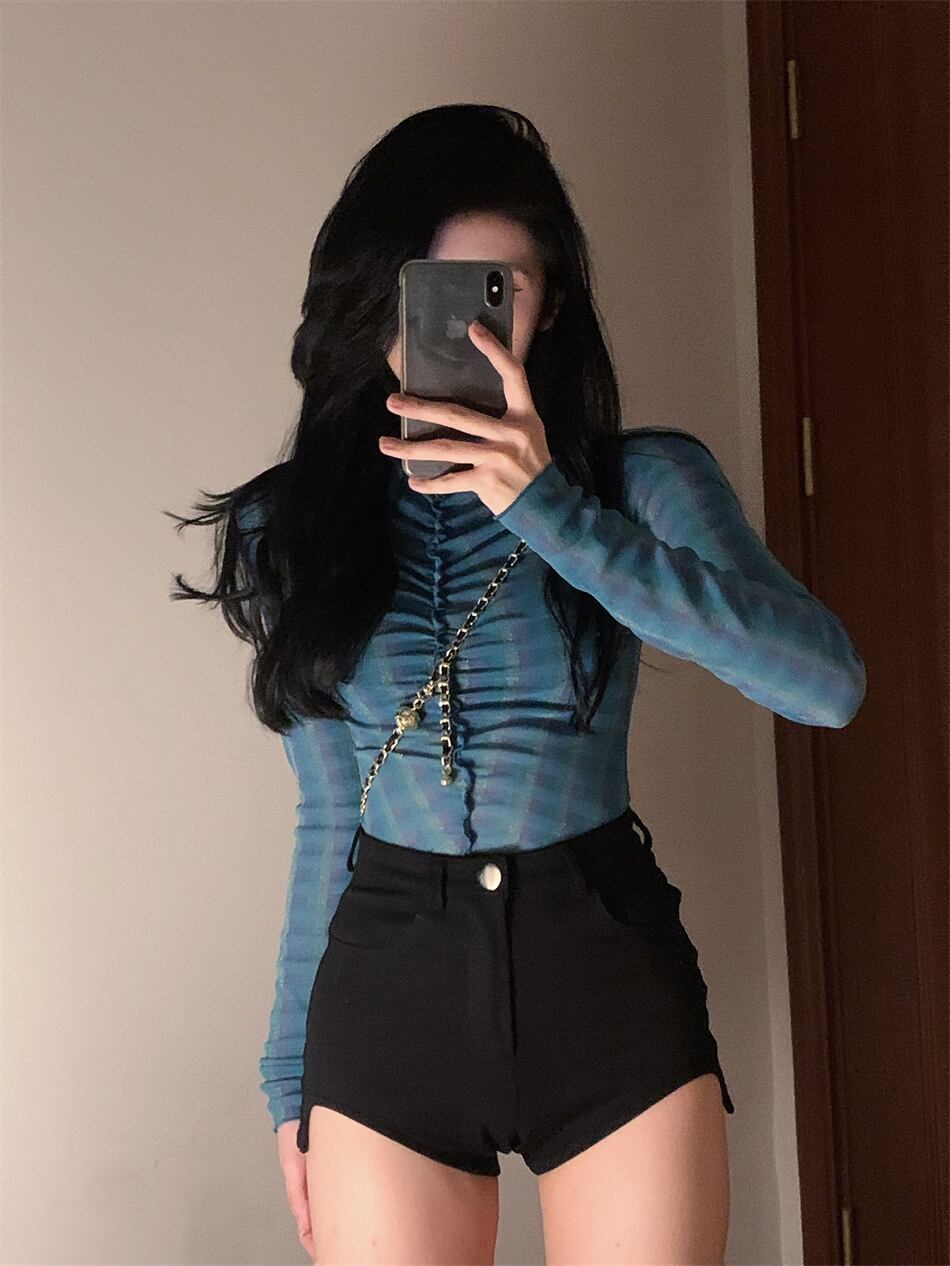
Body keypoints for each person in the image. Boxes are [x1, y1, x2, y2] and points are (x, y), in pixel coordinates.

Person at [169, 104, 866, 1265]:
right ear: (372, 297)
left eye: (497, 292)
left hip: (605, 985)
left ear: (547, 309)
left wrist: (547, 509)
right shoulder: (294, 526)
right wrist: (288, 1075)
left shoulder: (641, 484)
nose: (464, 327)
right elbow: (329, 808)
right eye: (430, 290)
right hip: (387, 998)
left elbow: (823, 684)